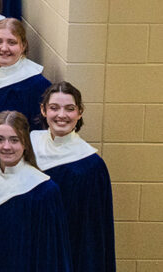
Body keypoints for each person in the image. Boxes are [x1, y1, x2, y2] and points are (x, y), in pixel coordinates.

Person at [0, 111, 72, 272]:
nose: (6, 146)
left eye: (14, 140)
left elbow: (49, 254)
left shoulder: (44, 191)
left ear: (25, 143)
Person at [33, 82, 115, 272]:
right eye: (54, 108)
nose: (61, 115)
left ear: (79, 113)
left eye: (69, 109)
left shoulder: (91, 166)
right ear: (43, 110)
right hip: (33, 245)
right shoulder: (29, 145)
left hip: (71, 251)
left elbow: (92, 233)